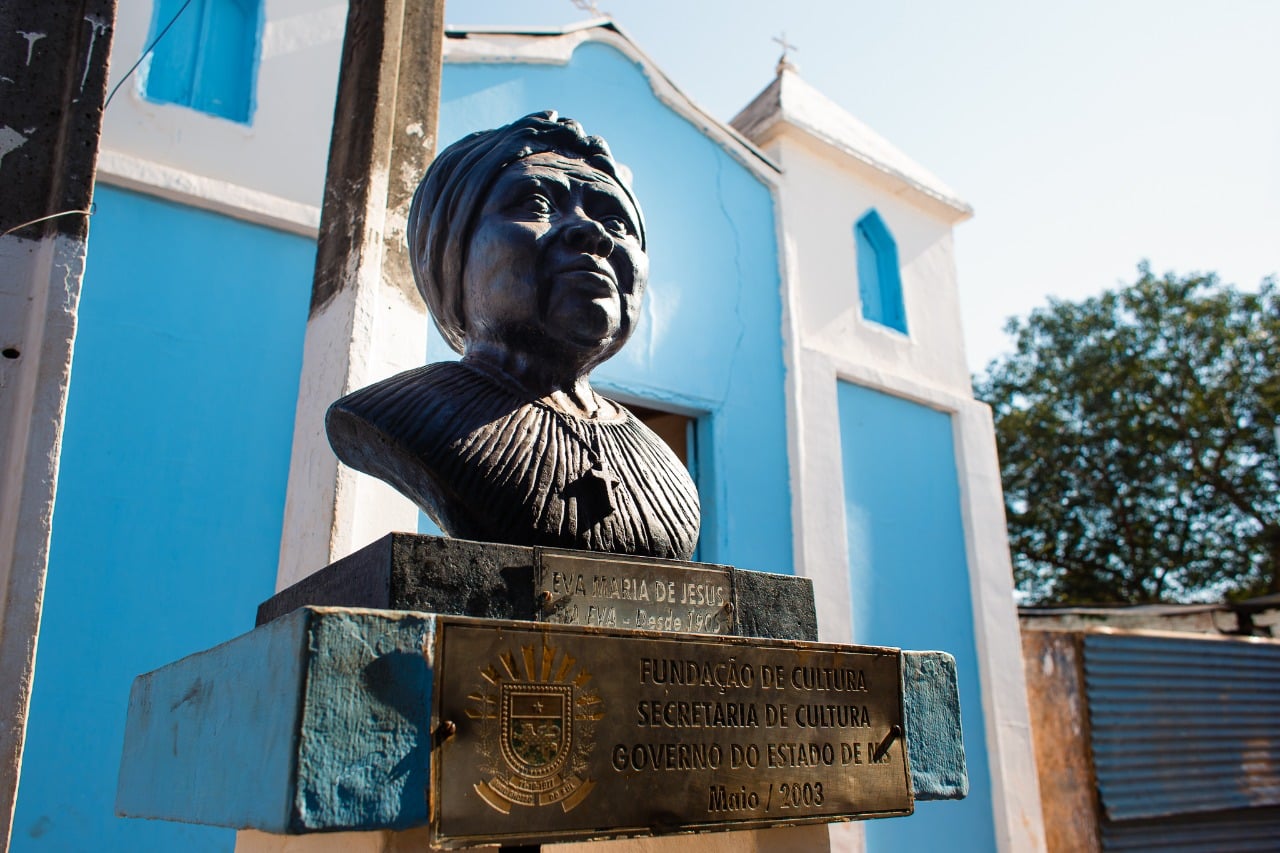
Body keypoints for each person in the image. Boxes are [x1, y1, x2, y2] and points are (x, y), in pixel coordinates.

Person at [326, 111, 700, 560]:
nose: (594, 235)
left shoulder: (663, 466)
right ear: (452, 254)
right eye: (538, 206)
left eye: (617, 224)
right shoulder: (394, 416)